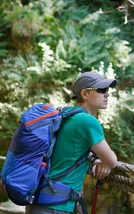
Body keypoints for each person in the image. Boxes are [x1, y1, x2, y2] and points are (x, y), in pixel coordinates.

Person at [25, 71, 119, 214]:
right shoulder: (87, 121)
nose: (107, 94)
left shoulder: (67, 115)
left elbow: (72, 150)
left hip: (40, 199)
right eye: (101, 90)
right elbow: (112, 161)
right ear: (85, 94)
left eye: (107, 90)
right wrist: (104, 161)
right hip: (56, 206)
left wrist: (97, 159)